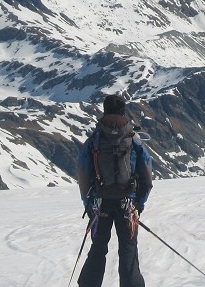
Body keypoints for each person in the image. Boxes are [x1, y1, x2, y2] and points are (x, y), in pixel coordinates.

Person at [77, 94, 153, 287]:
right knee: (128, 248)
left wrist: (89, 204)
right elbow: (146, 173)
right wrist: (139, 203)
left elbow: (84, 173)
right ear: (123, 111)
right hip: (127, 204)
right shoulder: (133, 138)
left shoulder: (95, 139)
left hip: (100, 204)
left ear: (104, 110)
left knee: (98, 247)